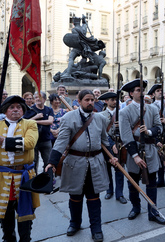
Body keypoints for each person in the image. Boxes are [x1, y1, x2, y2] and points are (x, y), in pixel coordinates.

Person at [46, 90, 113, 242]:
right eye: (87, 100)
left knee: (94, 197)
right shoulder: (68, 118)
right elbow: (61, 142)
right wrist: (52, 162)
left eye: (92, 100)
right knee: (75, 197)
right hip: (75, 163)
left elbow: (105, 140)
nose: (90, 102)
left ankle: (96, 228)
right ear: (79, 100)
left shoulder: (100, 118)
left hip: (95, 163)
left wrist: (112, 157)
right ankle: (75, 223)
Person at [0, 95, 39, 241]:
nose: (15, 110)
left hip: (24, 176)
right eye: (11, 107)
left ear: (23, 110)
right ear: (5, 111)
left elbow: (30, 143)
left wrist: (4, 141)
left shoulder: (30, 124)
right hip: (2, 176)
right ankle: (8, 237)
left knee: (25, 212)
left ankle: (25, 239)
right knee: (5, 210)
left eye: (19, 107)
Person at [119, 79, 165, 225]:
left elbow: (159, 127)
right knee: (133, 183)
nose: (141, 92)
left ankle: (153, 212)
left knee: (152, 182)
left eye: (142, 90)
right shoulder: (124, 112)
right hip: (134, 152)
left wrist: (149, 131)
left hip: (150, 150)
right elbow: (126, 137)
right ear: (131, 93)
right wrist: (135, 156)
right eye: (137, 90)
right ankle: (135, 207)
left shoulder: (151, 109)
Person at [97, 91, 127, 204]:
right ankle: (109, 191)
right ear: (106, 101)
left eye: (116, 99)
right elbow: (101, 133)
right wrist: (111, 144)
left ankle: (120, 194)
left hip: (121, 144)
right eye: (112, 100)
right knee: (107, 169)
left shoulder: (122, 113)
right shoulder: (100, 115)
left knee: (120, 170)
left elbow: (127, 130)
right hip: (107, 146)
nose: (115, 102)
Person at [23, 92, 54, 174]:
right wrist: (35, 117)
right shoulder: (30, 110)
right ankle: (34, 180)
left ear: (44, 99)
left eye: (39, 97)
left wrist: (36, 121)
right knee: (33, 162)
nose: (37, 99)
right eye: (36, 97)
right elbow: (25, 123)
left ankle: (47, 180)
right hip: (33, 140)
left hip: (46, 140)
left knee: (48, 162)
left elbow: (50, 121)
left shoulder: (49, 109)